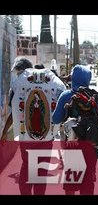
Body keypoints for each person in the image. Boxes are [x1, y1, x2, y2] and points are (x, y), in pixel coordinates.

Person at [1, 57, 66, 195]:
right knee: (41, 171)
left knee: (26, 167)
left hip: (26, 137)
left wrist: (5, 131)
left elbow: (14, 112)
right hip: (46, 137)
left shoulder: (20, 84)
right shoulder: (52, 82)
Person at [52, 64, 98, 195]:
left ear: (73, 78)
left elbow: (55, 119)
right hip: (91, 145)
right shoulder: (95, 96)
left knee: (71, 181)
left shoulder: (66, 95)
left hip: (72, 145)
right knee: (88, 182)